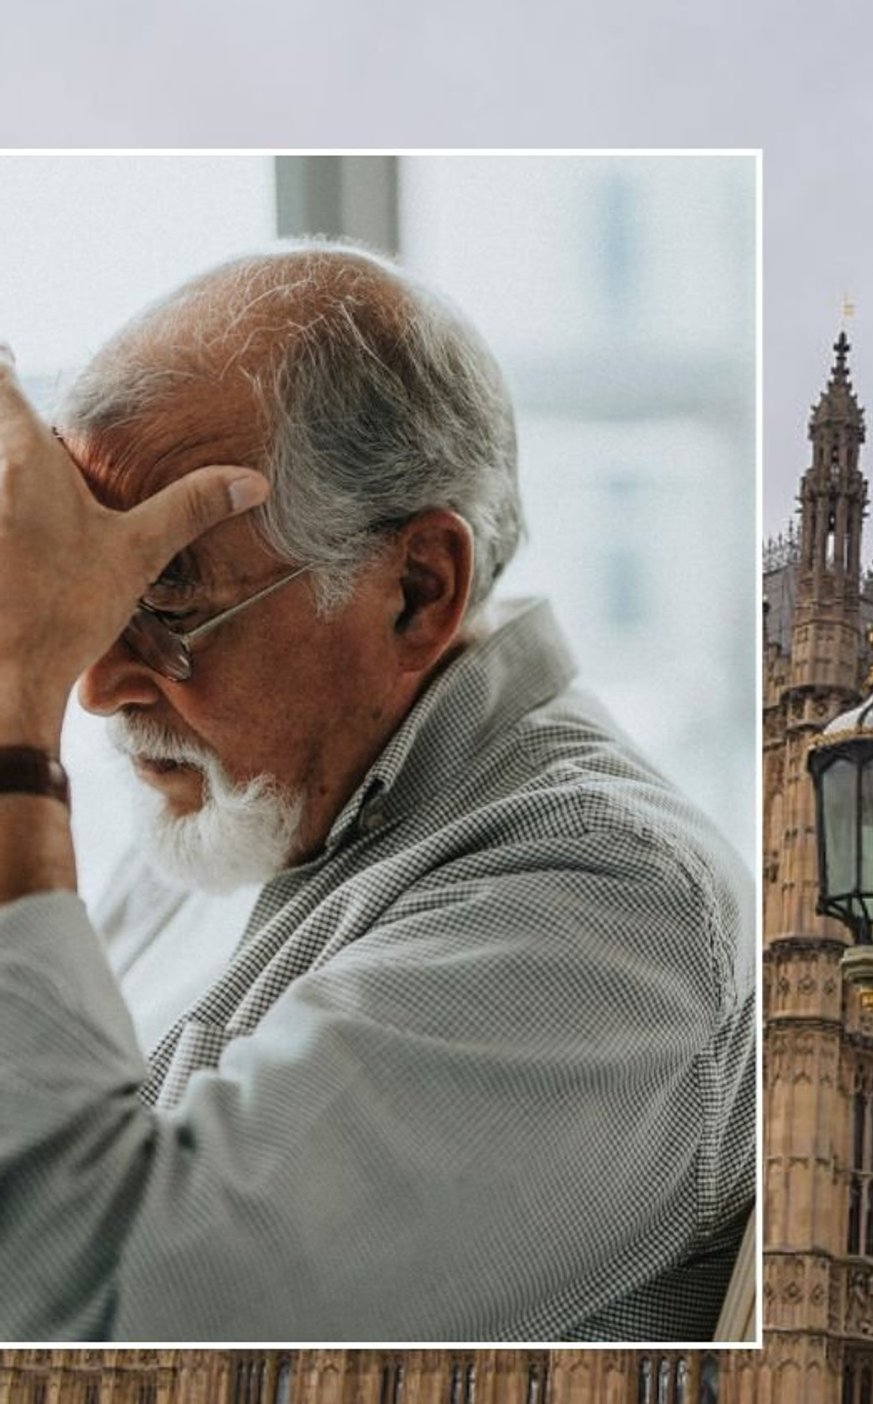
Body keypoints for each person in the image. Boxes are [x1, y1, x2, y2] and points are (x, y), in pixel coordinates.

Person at [0, 243, 755, 1341]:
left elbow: (94, 1330)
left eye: (165, 600)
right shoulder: (234, 803)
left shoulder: (605, 915)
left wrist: (14, 732)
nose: (97, 686)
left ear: (416, 591)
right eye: (81, 605)